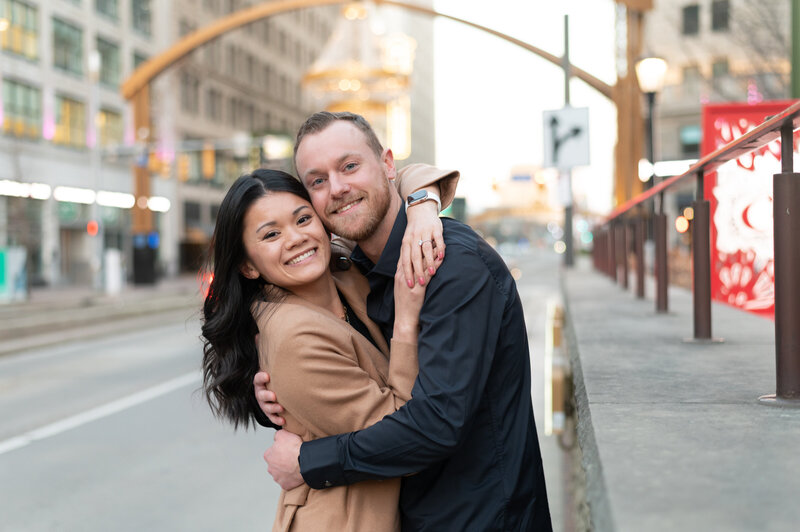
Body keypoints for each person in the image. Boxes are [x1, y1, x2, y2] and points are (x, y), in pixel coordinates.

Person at [256, 112, 552, 531]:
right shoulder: (354, 269)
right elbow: (343, 370)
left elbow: (436, 425)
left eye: (349, 166)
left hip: (481, 518)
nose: (337, 188)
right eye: (318, 181)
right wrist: (268, 395)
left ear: (388, 166)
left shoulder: (453, 268)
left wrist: (308, 463)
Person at [201, 167, 458, 531]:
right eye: (271, 234)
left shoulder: (342, 267)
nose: (296, 238)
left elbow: (397, 176)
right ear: (247, 265)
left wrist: (421, 208)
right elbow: (405, 438)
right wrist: (405, 318)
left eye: (303, 219)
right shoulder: (294, 337)